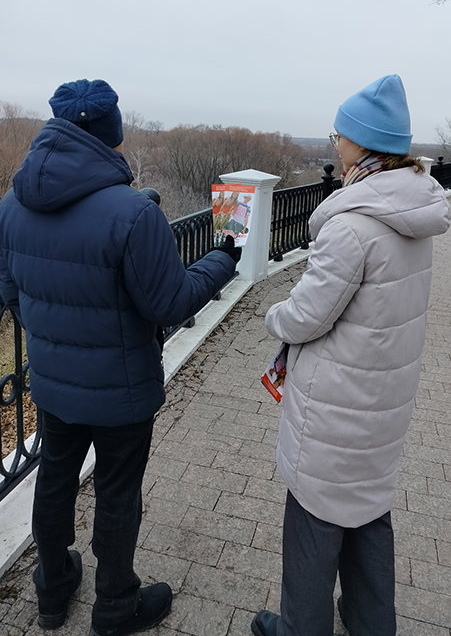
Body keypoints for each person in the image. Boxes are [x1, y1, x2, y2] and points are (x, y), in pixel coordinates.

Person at [0, 79, 241, 636]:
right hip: (121, 391)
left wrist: (56, 335)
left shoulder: (12, 205)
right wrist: (221, 259)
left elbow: (12, 294)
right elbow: (170, 303)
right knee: (116, 491)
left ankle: (52, 589)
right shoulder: (133, 214)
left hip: (54, 382)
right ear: (112, 137)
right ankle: (114, 605)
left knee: (54, 479)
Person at [251, 75, 450, 636]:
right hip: (382, 403)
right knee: (367, 516)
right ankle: (370, 623)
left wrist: (273, 315)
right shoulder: (412, 212)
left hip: (335, 410)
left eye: (339, 134)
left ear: (362, 143)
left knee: (314, 525)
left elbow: (306, 316)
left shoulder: (352, 227)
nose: (335, 143)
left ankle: (299, 628)